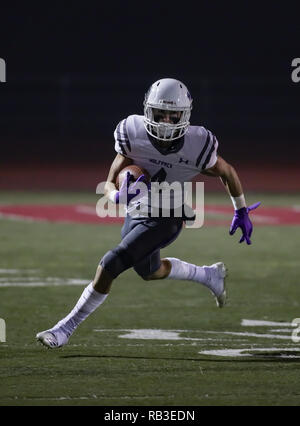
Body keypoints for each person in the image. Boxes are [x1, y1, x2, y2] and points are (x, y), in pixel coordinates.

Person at [36, 78, 260, 349]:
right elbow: (108, 182)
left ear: (185, 115)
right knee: (150, 270)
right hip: (139, 211)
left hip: (169, 215)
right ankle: (208, 275)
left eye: (173, 114)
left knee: (111, 263)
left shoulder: (198, 143)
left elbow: (227, 171)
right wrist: (116, 196)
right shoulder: (132, 132)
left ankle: (65, 328)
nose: (166, 121)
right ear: (147, 110)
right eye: (160, 113)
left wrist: (240, 209)